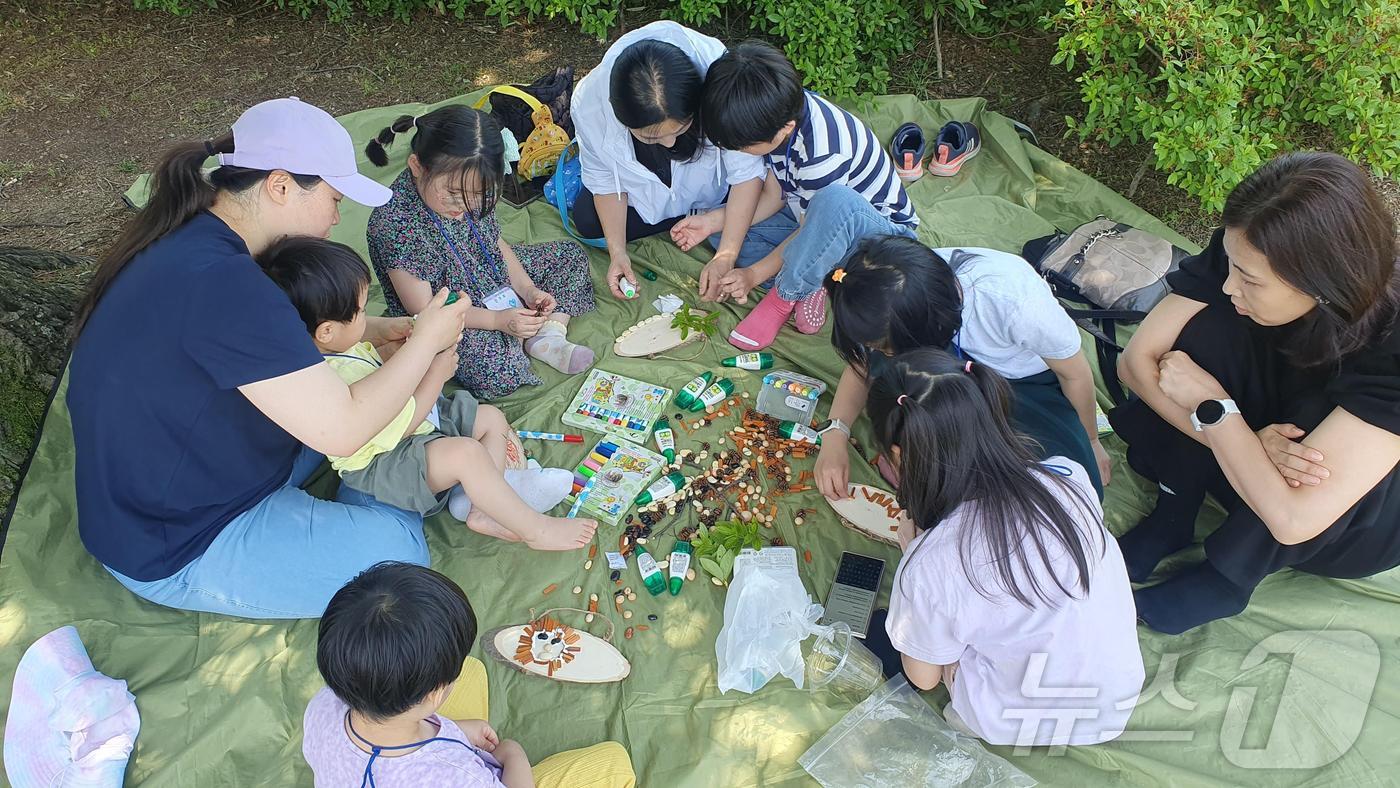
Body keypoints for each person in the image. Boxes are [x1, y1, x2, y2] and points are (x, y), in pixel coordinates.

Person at [67, 98, 470, 619]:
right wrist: (424, 342)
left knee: (374, 405)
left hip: (187, 465)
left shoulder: (202, 236)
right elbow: (344, 431)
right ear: (280, 186)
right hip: (174, 534)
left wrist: (372, 330)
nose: (337, 215)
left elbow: (260, 340)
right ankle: (373, 490)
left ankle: (369, 475)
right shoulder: (229, 286)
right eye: (333, 197)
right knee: (398, 556)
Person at [1111, 152, 1400, 634]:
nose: (1229, 285)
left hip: (1348, 524)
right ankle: (1173, 511)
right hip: (1260, 453)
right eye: (1232, 263)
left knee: (1311, 425)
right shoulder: (1250, 242)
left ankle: (1226, 579)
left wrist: (1220, 414)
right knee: (1200, 337)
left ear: (1320, 284)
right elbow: (1136, 363)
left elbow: (1293, 519)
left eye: (1249, 280)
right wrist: (1244, 440)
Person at [861, 350, 1143, 747]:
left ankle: (968, 715)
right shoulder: (1069, 477)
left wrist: (912, 550)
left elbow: (923, 679)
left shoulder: (931, 564)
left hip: (1014, 718)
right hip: (1115, 698)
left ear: (899, 456)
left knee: (934, 651)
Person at [258, 237, 596, 551]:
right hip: (384, 460)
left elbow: (384, 377)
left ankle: (485, 503)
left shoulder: (336, 348)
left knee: (490, 417)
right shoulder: (330, 374)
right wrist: (435, 373)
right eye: (361, 312)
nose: (368, 317)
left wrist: (399, 344)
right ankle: (535, 529)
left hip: (415, 426)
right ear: (327, 331)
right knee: (465, 453)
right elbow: (397, 426)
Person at [814, 235, 1110, 502]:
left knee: (1058, 482)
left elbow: (1074, 373)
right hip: (937, 352)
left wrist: (1092, 441)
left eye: (884, 348)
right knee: (896, 390)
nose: (880, 355)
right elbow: (861, 363)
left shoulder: (1014, 302)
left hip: (1021, 384)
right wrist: (835, 433)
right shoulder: (884, 294)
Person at [304, 561, 636, 787]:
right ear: (433, 693)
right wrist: (512, 755)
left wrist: (458, 731)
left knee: (473, 672)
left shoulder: (326, 703)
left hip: (376, 756)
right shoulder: (461, 776)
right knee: (614, 764)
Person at [697, 41, 919, 351]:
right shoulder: (777, 116)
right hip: (806, 213)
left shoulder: (822, 155)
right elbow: (775, 196)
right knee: (723, 234)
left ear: (784, 128)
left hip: (878, 236)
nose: (738, 153)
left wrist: (753, 274)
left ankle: (785, 295)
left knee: (795, 241)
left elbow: (814, 229)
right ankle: (820, 277)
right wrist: (713, 223)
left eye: (743, 146)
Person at [366, 105, 596, 401]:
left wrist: (528, 289)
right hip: (446, 305)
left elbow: (495, 243)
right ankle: (526, 335)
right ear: (417, 166)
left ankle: (547, 334)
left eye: (477, 194)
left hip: (487, 273)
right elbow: (426, 311)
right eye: (452, 193)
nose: (463, 205)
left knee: (569, 257)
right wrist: (498, 321)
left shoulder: (473, 182)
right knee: (497, 370)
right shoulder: (395, 225)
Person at [569, 21, 777, 302]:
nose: (670, 144)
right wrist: (618, 253)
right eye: (652, 138)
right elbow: (605, 180)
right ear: (621, 118)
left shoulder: (718, 76)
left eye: (681, 130)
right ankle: (700, 216)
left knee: (764, 193)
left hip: (717, 185)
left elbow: (746, 172)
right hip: (677, 196)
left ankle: (704, 215)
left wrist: (726, 255)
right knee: (588, 219)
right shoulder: (588, 104)